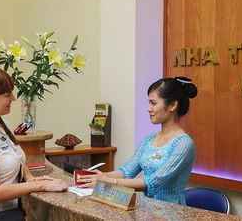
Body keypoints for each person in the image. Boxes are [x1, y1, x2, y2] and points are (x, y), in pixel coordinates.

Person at [0, 66, 69, 221]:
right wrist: (40, 186)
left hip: (5, 214)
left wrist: (31, 178)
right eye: (7, 95)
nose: (13, 99)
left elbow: (16, 157)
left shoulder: (0, 126)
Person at [79, 76, 198, 205]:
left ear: (172, 105)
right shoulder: (149, 139)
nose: (149, 108)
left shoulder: (184, 144)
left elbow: (152, 182)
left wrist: (108, 181)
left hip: (172, 212)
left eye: (153, 103)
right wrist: (102, 176)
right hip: (147, 210)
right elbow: (126, 172)